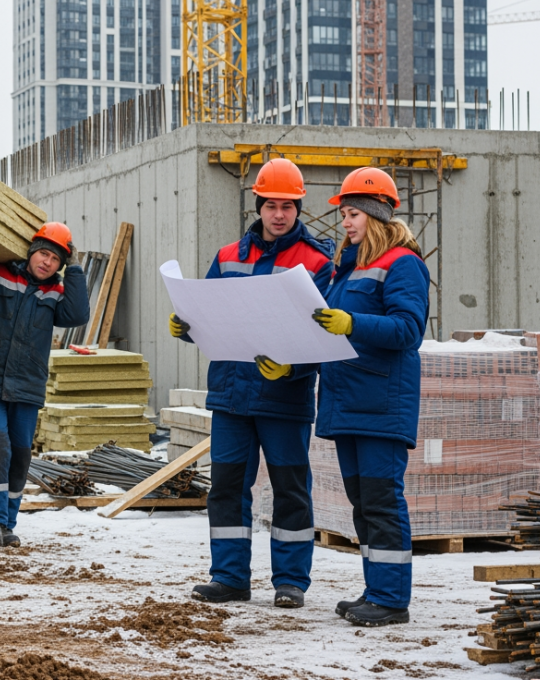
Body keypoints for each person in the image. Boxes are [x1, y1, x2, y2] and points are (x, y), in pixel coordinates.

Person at [170, 158, 334, 608]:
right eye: (271, 205)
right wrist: (188, 326)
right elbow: (205, 311)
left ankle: (290, 583)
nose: (279, 214)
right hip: (230, 394)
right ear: (257, 205)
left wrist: (293, 370)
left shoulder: (318, 262)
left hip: (284, 397)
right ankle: (229, 577)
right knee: (226, 488)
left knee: (290, 490)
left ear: (299, 208)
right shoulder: (226, 257)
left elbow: (325, 337)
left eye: (288, 206)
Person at [312, 166, 429, 627]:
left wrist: (351, 323)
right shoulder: (348, 269)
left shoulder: (403, 263)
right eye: (344, 214)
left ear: (377, 214)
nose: (345, 222)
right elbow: (321, 330)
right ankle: (376, 589)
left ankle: (391, 600)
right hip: (349, 403)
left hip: (381, 403)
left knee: (382, 502)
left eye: (353, 213)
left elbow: (408, 330)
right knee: (365, 503)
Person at [0, 223, 90, 548]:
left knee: (20, 455)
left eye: (56, 259)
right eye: (43, 253)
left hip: (26, 384)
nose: (47, 262)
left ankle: (8, 523)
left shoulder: (55, 293)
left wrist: (77, 271)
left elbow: (78, 314)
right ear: (31, 251)